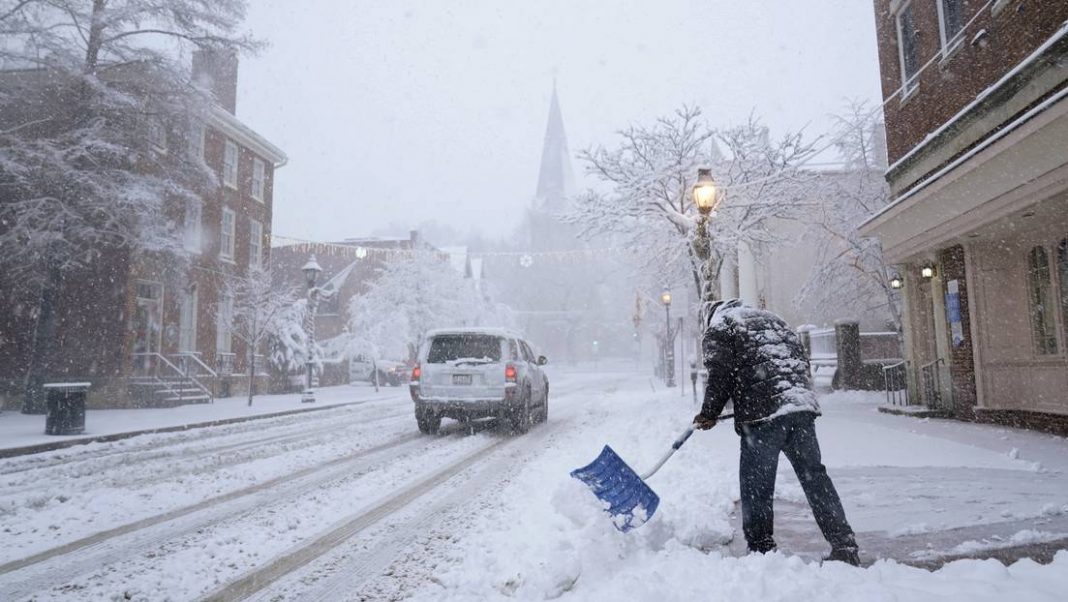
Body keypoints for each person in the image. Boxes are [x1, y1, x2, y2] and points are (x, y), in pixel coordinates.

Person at [693, 298, 860, 566]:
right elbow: (797, 360)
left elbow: (720, 374)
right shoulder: (773, 319)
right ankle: (844, 545)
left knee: (756, 484)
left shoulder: (721, 326)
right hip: (800, 405)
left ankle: (761, 550)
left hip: (764, 415)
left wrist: (709, 413)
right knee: (815, 478)